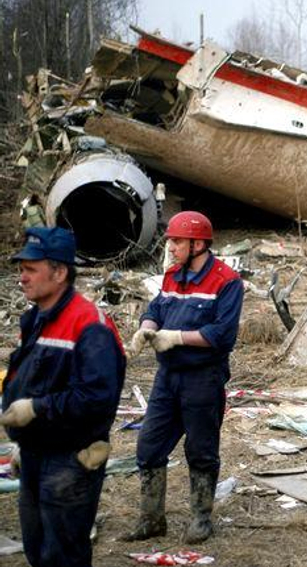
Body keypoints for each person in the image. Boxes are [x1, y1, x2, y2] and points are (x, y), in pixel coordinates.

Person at [1, 227, 126, 567]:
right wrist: (22, 440)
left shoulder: (89, 326)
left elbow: (97, 397)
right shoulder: (37, 318)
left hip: (70, 461)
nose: (22, 277)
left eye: (31, 269)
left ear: (59, 273)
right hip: (36, 454)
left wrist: (36, 409)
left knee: (62, 556)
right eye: (21, 268)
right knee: (38, 549)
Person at [123, 211, 243, 544]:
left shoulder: (226, 281)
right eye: (171, 241)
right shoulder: (172, 276)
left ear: (198, 243)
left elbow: (222, 334)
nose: (171, 247)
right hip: (168, 376)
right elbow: (156, 310)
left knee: (201, 449)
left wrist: (176, 337)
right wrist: (146, 329)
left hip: (203, 377)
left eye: (177, 241)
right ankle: (151, 519)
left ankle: (201, 518)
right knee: (148, 446)